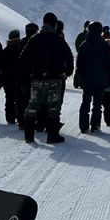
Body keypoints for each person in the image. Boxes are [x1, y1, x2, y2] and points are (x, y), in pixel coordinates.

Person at [19, 12, 74, 144]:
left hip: (37, 80)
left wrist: (30, 73)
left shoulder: (34, 38)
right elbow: (69, 57)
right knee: (53, 108)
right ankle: (52, 136)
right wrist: (67, 72)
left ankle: (29, 136)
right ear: (55, 25)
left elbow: (23, 58)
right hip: (55, 80)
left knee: (32, 107)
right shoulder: (59, 39)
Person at [76, 21, 110, 133]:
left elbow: (79, 64)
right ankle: (95, 125)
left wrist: (81, 77)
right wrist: (108, 79)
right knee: (97, 104)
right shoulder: (104, 45)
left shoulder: (84, 45)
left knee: (85, 103)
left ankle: (83, 126)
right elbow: (109, 64)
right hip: (100, 79)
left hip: (87, 79)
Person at [15, 22, 40, 130]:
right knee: (33, 100)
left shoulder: (21, 43)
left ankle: (21, 122)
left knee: (22, 99)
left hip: (21, 75)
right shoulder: (37, 43)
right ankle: (31, 121)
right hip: (33, 75)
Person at [0, 29, 23, 125]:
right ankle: (19, 116)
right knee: (19, 99)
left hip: (7, 79)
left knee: (9, 99)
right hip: (18, 79)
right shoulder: (21, 49)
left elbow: (1, 65)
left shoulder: (5, 50)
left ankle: (10, 118)